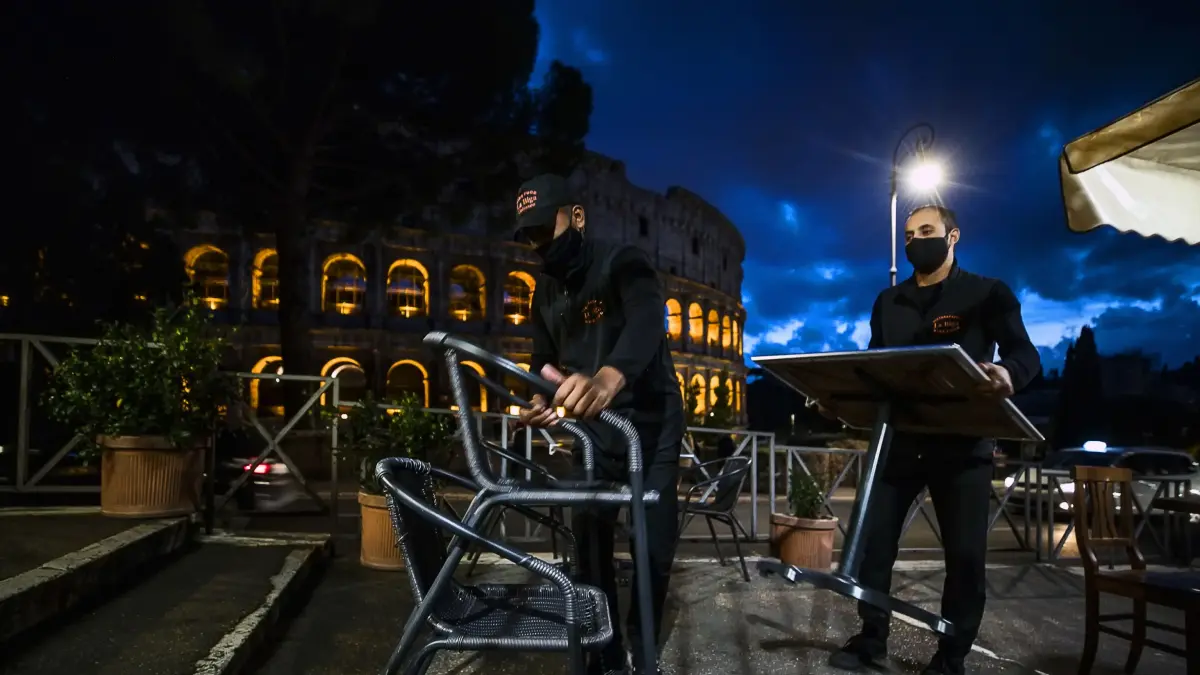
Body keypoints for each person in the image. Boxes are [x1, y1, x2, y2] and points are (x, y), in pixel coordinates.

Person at [827, 205, 1041, 675]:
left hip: (963, 445)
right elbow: (874, 364)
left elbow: (1025, 352)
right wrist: (838, 395)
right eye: (908, 235)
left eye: (926, 231)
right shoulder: (888, 301)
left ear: (953, 236)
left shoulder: (987, 293)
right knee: (874, 545)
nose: (915, 241)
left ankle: (951, 656)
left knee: (965, 557)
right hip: (900, 441)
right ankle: (871, 637)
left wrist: (1009, 372)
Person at [512, 174, 685, 675]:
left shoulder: (623, 260)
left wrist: (611, 375)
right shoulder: (544, 291)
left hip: (650, 421)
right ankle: (604, 648)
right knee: (588, 540)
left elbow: (649, 319)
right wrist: (538, 398)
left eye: (545, 229)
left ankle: (643, 643)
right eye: (529, 236)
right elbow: (542, 359)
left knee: (652, 544)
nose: (539, 244)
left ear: (577, 217)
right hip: (592, 432)